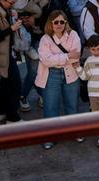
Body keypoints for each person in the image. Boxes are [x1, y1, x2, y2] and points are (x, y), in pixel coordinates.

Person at [35, 10, 81, 145]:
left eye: (62, 21)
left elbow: (76, 55)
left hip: (71, 73)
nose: (59, 24)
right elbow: (46, 60)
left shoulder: (73, 35)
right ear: (51, 23)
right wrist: (67, 56)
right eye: (56, 22)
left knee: (72, 106)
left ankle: (75, 132)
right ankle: (50, 137)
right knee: (50, 107)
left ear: (66, 23)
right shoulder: (45, 39)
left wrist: (56, 58)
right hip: (51, 75)